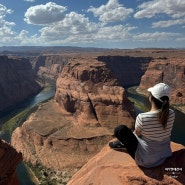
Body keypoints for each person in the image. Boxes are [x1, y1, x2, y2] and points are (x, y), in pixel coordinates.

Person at [109, 83, 175, 168]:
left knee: (120, 130)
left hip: (145, 160)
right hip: (163, 155)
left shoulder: (143, 117)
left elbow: (138, 134)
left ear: (151, 98)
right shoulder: (172, 113)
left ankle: (123, 143)